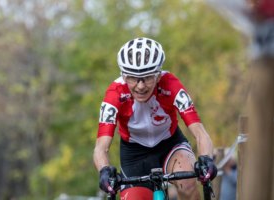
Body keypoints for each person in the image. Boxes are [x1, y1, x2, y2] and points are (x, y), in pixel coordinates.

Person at [93, 37, 217, 200]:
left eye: (148, 77)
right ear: (123, 76)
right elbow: (101, 147)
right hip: (134, 155)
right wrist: (104, 170)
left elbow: (200, 133)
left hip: (170, 145)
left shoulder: (171, 85)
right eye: (132, 78)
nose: (141, 85)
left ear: (159, 75)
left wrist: (206, 158)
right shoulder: (115, 94)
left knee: (187, 183)